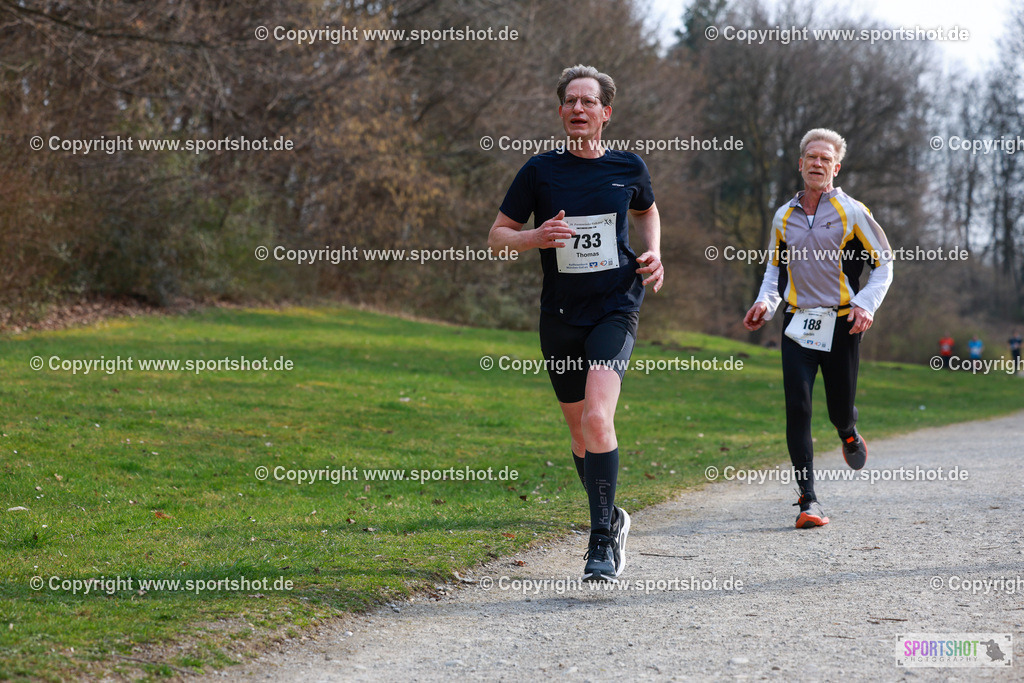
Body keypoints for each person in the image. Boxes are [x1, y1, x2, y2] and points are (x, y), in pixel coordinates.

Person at [488, 65, 664, 581]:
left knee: (597, 419)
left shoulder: (629, 166)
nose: (578, 109)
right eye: (570, 101)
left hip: (616, 306)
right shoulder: (539, 171)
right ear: (561, 111)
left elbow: (647, 210)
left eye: (588, 102)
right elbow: (497, 236)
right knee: (579, 433)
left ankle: (600, 542)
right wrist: (534, 237)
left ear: (606, 113)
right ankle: (612, 516)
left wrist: (654, 252)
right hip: (561, 315)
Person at [743, 128, 893, 529]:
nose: (817, 163)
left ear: (835, 168)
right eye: (811, 156)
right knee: (798, 407)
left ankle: (848, 431)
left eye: (826, 159)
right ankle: (808, 499)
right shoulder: (783, 215)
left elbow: (884, 264)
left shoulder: (853, 211)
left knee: (838, 409)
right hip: (798, 322)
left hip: (843, 322)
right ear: (800, 163)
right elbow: (775, 269)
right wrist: (765, 304)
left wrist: (865, 305)